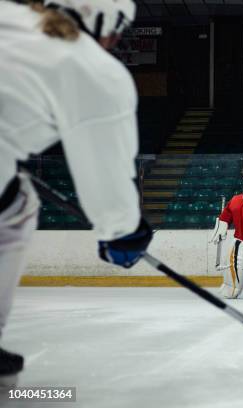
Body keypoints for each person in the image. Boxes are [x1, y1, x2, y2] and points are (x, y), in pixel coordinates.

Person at [0, 0, 152, 385]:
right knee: (17, 208)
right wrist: (121, 231)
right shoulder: (93, 68)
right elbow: (107, 181)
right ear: (108, 23)